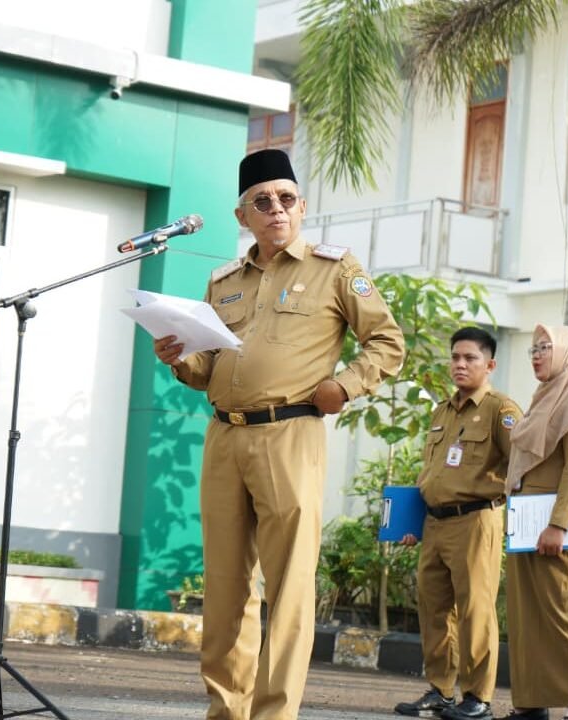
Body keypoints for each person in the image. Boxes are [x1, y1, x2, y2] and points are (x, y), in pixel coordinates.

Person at [153, 148, 405, 720]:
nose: (276, 210)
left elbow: (389, 343)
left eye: (286, 199)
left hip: (290, 434)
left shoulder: (334, 269)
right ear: (242, 216)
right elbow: (206, 368)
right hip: (225, 437)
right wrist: (176, 356)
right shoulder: (223, 281)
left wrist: (346, 385)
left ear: (302, 206)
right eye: (261, 202)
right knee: (223, 587)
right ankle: (227, 710)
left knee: (288, 586)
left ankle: (273, 715)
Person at [393, 327, 523, 720]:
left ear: (490, 365)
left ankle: (478, 697)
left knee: (475, 611)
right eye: (455, 357)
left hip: (475, 521)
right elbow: (430, 472)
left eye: (471, 358)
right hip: (434, 524)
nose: (460, 365)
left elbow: (522, 465)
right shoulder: (442, 411)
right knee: (433, 609)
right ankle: (441, 690)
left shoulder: (503, 410)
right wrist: (413, 521)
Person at [498, 324, 568, 720]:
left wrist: (558, 525)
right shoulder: (543, 398)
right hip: (526, 523)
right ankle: (530, 703)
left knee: (564, 610)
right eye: (533, 349)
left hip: (557, 526)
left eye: (546, 347)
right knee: (526, 613)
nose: (536, 355)